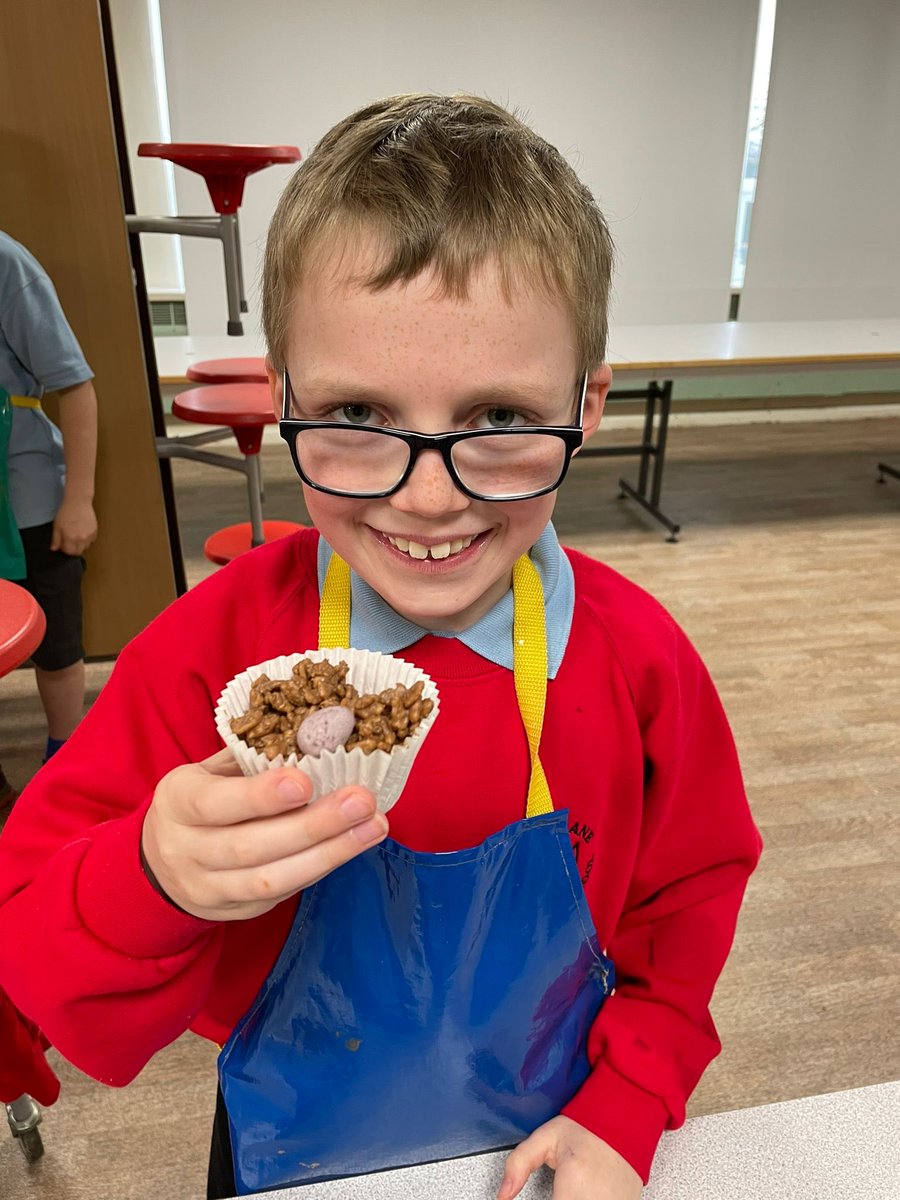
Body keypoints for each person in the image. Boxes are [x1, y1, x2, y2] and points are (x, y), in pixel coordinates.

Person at [0, 95, 761, 1199]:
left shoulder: (638, 660)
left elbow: (693, 894)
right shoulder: (212, 652)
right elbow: (36, 959)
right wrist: (155, 874)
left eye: (500, 420)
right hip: (292, 1144)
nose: (428, 494)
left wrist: (633, 1099)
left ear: (587, 406)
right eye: (357, 412)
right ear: (287, 399)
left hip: (560, 1125)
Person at [0, 231, 99, 811]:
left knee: (56, 639)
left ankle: (64, 760)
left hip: (28, 501)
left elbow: (76, 387)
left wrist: (77, 499)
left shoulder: (9, 264)